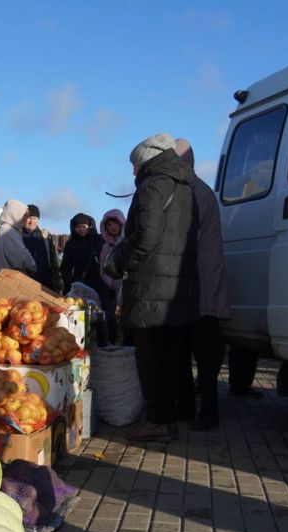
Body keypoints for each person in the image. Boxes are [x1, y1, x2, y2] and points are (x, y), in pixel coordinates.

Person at [110, 133, 199, 443]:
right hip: (178, 286)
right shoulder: (186, 186)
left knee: (150, 358)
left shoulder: (153, 185)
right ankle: (171, 415)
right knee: (173, 356)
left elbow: (146, 237)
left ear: (147, 159)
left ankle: (157, 421)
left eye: (135, 165)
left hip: (151, 288)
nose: (133, 172)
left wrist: (120, 260)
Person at [173, 138, 230, 431]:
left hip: (199, 291)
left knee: (200, 360)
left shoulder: (191, 192)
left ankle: (205, 413)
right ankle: (199, 411)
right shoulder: (201, 189)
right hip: (204, 289)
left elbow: (182, 238)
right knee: (203, 359)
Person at [98, 209, 127, 343]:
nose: (113, 227)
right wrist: (113, 283)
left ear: (121, 223)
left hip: (131, 289)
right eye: (109, 225)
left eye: (115, 223)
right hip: (114, 292)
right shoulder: (106, 247)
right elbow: (103, 270)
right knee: (115, 322)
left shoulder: (129, 242)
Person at [60, 212, 104, 297]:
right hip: (79, 283)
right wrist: (70, 283)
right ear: (74, 228)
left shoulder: (98, 240)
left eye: (84, 226)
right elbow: (65, 266)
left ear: (89, 226)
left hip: (98, 283)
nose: (81, 229)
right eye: (78, 227)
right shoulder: (71, 244)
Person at [0, 199, 37, 276]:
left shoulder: (4, 230)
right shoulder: (8, 232)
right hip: (9, 280)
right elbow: (21, 257)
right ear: (14, 214)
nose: (25, 219)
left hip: (3, 277)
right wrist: (32, 266)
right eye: (24, 215)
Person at [21, 204, 62, 292]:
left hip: (46, 283)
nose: (32, 221)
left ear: (38, 220)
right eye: (29, 218)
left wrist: (57, 279)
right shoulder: (18, 236)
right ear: (24, 218)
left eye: (35, 218)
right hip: (26, 282)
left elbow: (53, 259)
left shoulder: (45, 236)